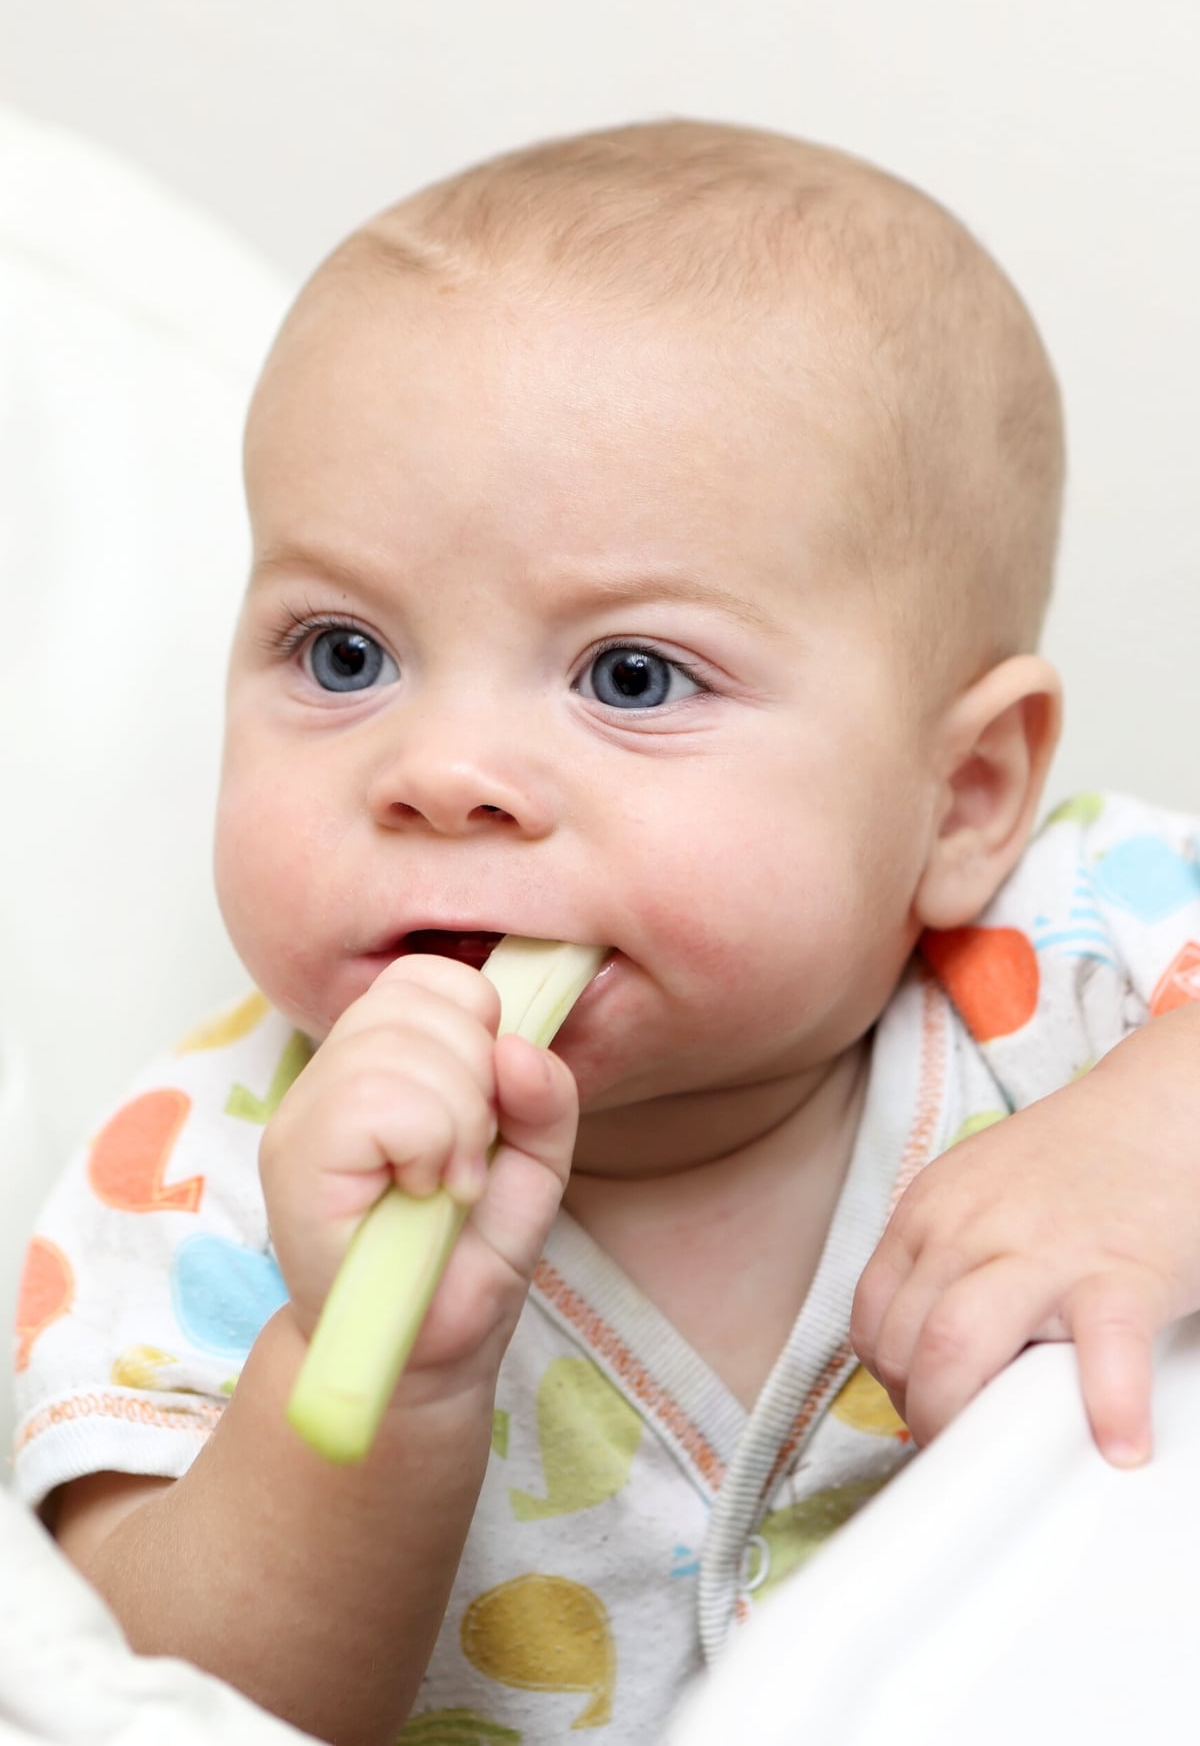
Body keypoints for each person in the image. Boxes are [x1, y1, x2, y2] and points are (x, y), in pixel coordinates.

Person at [12, 120, 1200, 1745]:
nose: (440, 774)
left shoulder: (1076, 951)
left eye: (630, 677)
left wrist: (1155, 1137)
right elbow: (142, 1703)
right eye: (344, 653)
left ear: (963, 796)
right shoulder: (203, 1175)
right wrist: (351, 1380)